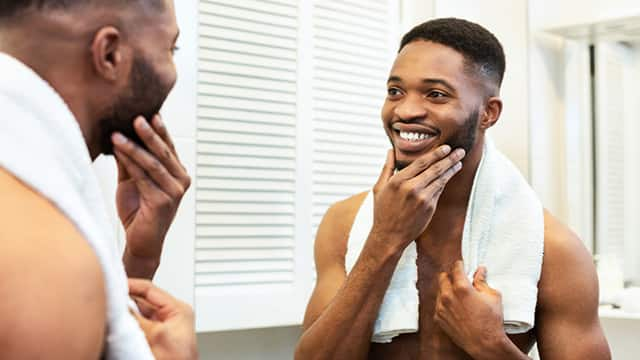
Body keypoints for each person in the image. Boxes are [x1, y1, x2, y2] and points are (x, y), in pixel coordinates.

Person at [295, 18, 611, 359]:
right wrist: (383, 240)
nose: (406, 110)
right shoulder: (342, 224)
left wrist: (491, 345)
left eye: (436, 94)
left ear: (489, 113)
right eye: (395, 91)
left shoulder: (554, 250)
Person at [0, 0, 196, 358]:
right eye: (171, 48)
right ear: (109, 55)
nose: (173, 72)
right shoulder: (48, 267)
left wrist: (139, 259)